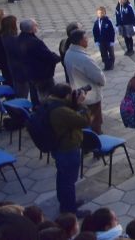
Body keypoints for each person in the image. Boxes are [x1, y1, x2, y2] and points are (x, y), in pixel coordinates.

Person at [47, 83, 91, 218]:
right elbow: (84, 121)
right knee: (69, 182)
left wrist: (73, 102)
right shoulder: (61, 111)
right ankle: (70, 211)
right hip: (67, 149)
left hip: (58, 147)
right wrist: (81, 104)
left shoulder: (50, 102)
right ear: (66, 95)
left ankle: (65, 203)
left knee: (62, 178)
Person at [17, 19, 61, 105]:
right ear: (31, 29)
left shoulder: (20, 39)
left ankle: (36, 106)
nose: (37, 26)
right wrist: (59, 58)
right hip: (41, 74)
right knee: (47, 96)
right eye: (35, 25)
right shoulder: (35, 42)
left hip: (30, 72)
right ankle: (46, 109)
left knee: (34, 92)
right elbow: (48, 56)